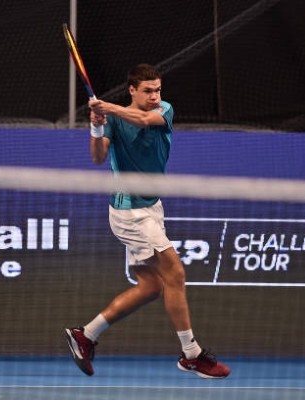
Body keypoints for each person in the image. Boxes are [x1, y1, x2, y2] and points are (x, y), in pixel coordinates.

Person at [64, 63, 230, 379]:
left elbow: (142, 119)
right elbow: (98, 157)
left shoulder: (163, 110)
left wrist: (106, 107)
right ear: (132, 90)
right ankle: (192, 355)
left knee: (151, 285)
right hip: (130, 212)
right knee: (175, 273)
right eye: (147, 91)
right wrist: (97, 125)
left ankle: (86, 335)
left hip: (152, 207)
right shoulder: (113, 118)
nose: (155, 96)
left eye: (157, 90)